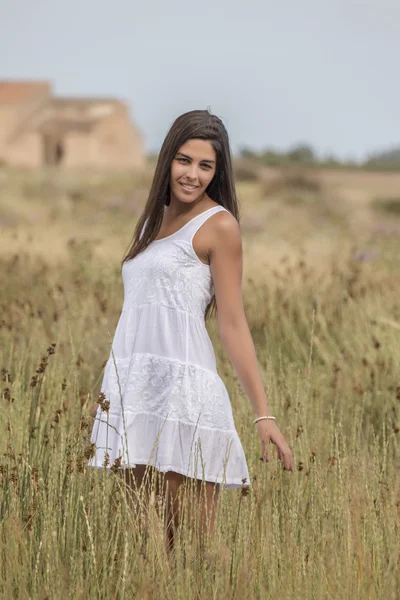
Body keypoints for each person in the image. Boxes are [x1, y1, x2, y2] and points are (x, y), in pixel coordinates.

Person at [87, 109, 293, 554]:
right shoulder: (149, 224)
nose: (192, 175)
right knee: (148, 548)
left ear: (217, 173)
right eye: (184, 160)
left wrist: (263, 413)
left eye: (206, 166)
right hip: (133, 393)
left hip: (185, 396)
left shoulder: (219, 227)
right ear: (167, 159)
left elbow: (232, 321)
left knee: (196, 552)